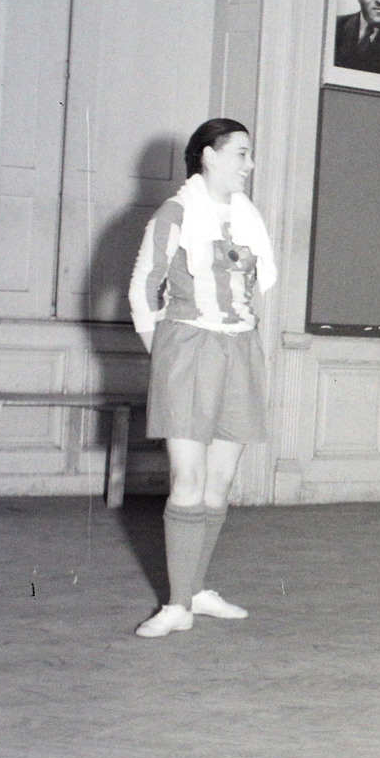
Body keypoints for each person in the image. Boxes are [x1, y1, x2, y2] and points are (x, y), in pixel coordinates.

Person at [127, 118, 275, 637]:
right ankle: (175, 605)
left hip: (240, 350)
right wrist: (168, 357)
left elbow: (255, 288)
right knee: (188, 479)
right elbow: (142, 292)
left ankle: (196, 588)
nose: (249, 165)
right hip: (188, 347)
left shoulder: (247, 217)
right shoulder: (174, 213)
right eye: (241, 153)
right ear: (208, 156)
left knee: (221, 480)